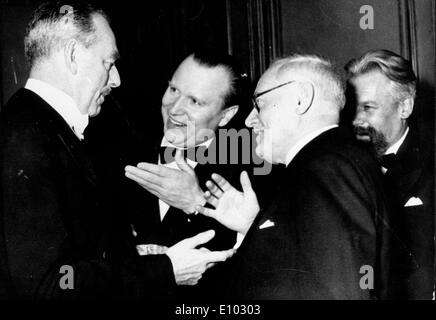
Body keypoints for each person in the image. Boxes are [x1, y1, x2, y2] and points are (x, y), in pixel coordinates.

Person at [0, 1, 233, 299]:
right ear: (73, 55)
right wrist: (164, 270)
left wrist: (131, 256)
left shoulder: (42, 126)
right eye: (108, 63)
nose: (116, 80)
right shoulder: (27, 137)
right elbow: (49, 284)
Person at [197, 54, 399, 299]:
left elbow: (339, 290)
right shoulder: (330, 161)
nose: (250, 121)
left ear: (301, 99)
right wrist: (254, 226)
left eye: (259, 104)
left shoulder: (327, 167)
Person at [124, 51, 252, 251]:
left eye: (194, 101)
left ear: (226, 116)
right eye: (174, 89)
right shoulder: (122, 146)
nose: (174, 109)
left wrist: (196, 203)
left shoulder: (251, 168)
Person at [346, 49, 435, 299]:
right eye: (353, 108)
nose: (356, 119)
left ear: (405, 107)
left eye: (368, 108)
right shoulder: (338, 164)